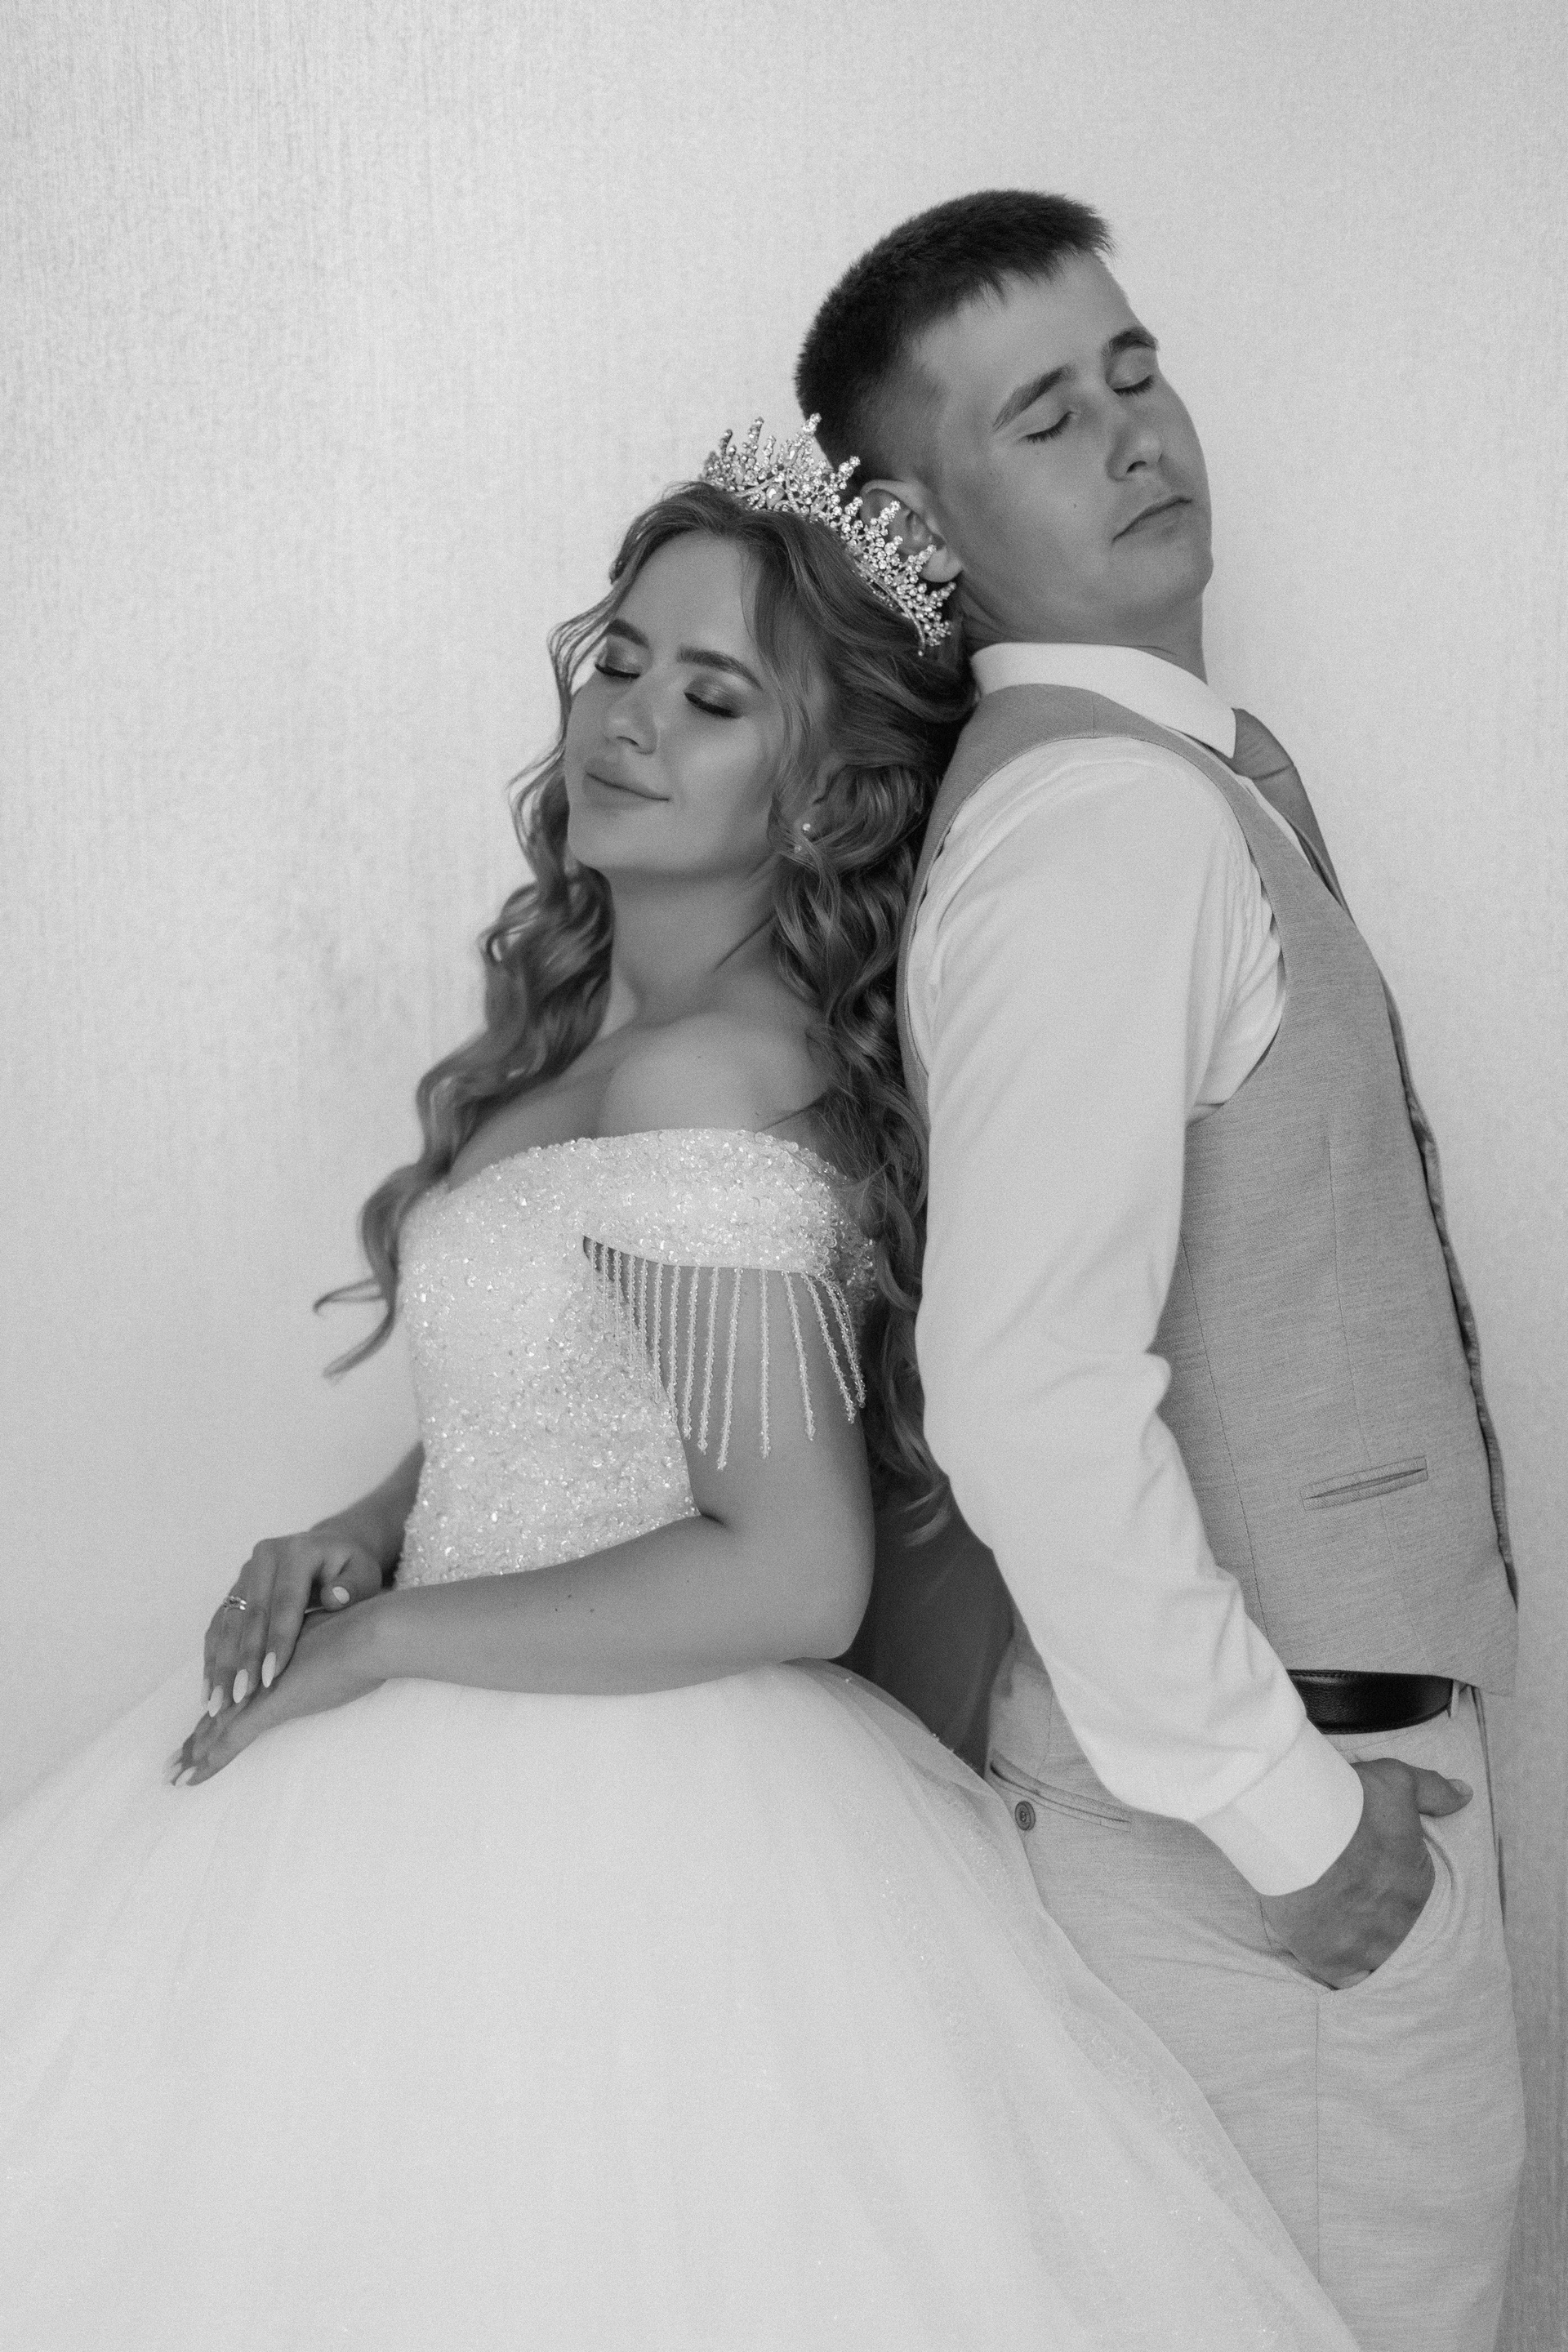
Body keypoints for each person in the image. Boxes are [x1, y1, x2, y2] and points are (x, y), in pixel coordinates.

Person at [0, 448, 1356, 2351]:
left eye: (713, 698)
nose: (626, 720)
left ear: (824, 797)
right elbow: (598, 1387)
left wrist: (383, 1642)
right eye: (621, 661)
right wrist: (368, 1523)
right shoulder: (623, 1043)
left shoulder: (702, 1075)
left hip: (621, 1822)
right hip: (505, 1714)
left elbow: (791, 1570)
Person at [797, 191, 1525, 2352]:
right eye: (1044, 414)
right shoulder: (1107, 828)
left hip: (1276, 1791)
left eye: (1135, 368)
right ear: (916, 532)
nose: (1135, 431)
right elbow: (1025, 1384)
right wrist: (1290, 1822)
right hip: (1257, 1835)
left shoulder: (1142, 792)